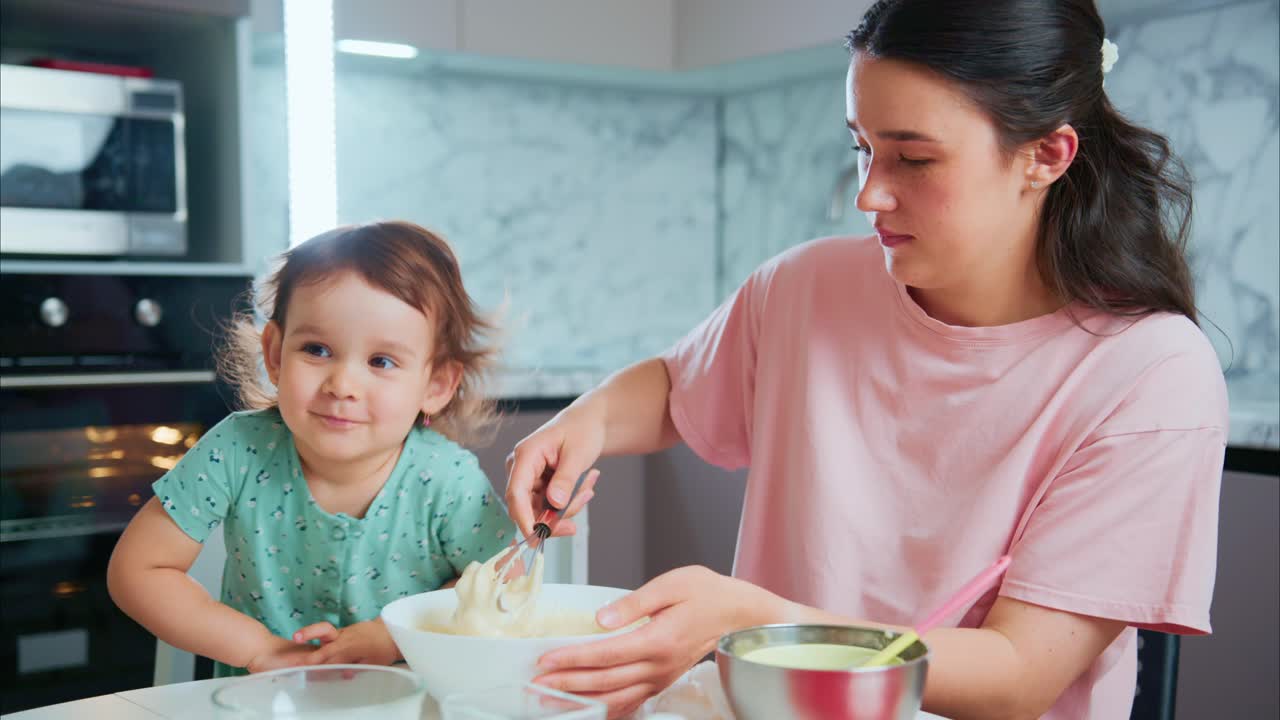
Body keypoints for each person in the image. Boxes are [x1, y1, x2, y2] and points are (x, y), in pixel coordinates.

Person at [504, 1, 1228, 718]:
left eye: (914, 158)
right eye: (862, 146)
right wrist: (588, 420)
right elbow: (675, 387)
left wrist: (755, 626)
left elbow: (1016, 673)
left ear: (1046, 155)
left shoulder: (1151, 374)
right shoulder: (804, 287)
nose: (869, 193)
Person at [108, 221, 514, 676]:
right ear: (276, 354)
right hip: (261, 707)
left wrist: (393, 633)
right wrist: (256, 648)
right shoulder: (237, 449)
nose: (342, 385)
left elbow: (505, 581)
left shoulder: (446, 479)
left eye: (381, 361)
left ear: (436, 384)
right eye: (317, 349)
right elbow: (138, 571)